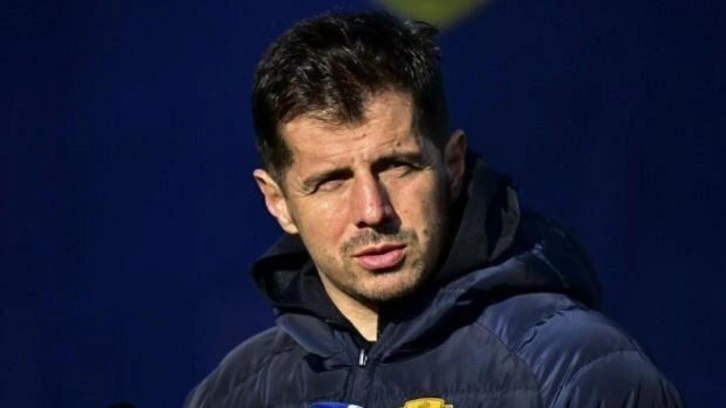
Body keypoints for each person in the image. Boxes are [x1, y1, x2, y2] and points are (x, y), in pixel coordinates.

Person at [185, 11, 683, 408]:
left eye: (397, 166)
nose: (372, 210)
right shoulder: (230, 395)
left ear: (454, 164)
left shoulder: (581, 373)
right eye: (332, 181)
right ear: (278, 201)